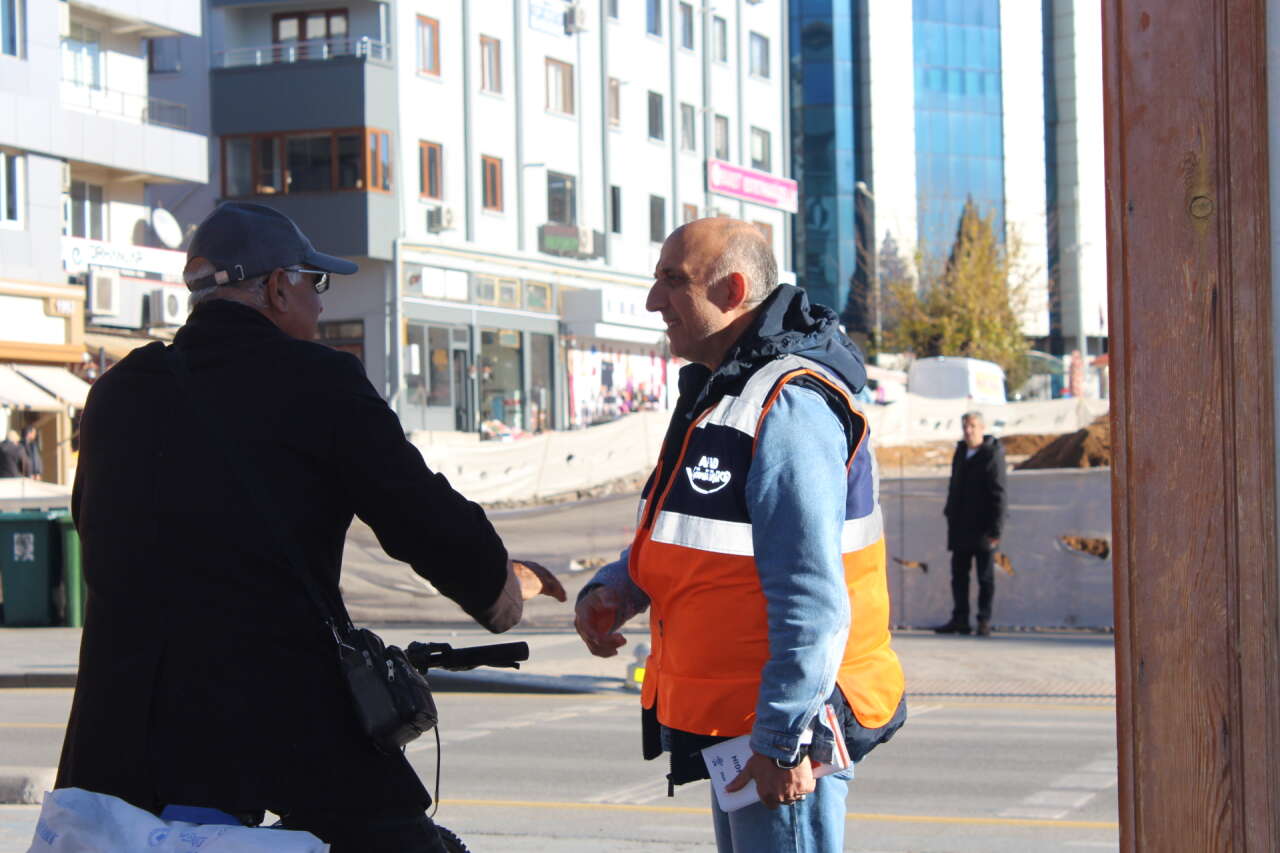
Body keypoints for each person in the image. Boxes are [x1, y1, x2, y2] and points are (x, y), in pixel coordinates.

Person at [55, 202, 566, 853]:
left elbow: (93, 528)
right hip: (275, 727)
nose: (321, 305)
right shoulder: (318, 381)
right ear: (275, 286)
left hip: (121, 740)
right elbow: (418, 511)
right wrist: (501, 588)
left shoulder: (117, 393)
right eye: (313, 284)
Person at [574, 218, 906, 853]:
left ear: (730, 290)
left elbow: (813, 599)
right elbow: (696, 534)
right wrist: (619, 586)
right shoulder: (724, 391)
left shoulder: (785, 404)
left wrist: (783, 741)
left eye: (672, 281)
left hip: (777, 731)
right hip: (743, 726)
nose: (653, 301)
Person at [934, 411, 1007, 637]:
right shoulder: (961, 451)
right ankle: (960, 619)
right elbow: (954, 485)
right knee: (959, 576)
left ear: (982, 428)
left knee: (985, 577)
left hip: (984, 528)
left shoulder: (991, 454)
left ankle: (983, 620)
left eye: (973, 426)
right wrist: (950, 512)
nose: (969, 430)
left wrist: (996, 529)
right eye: (966, 426)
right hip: (960, 526)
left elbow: (999, 493)